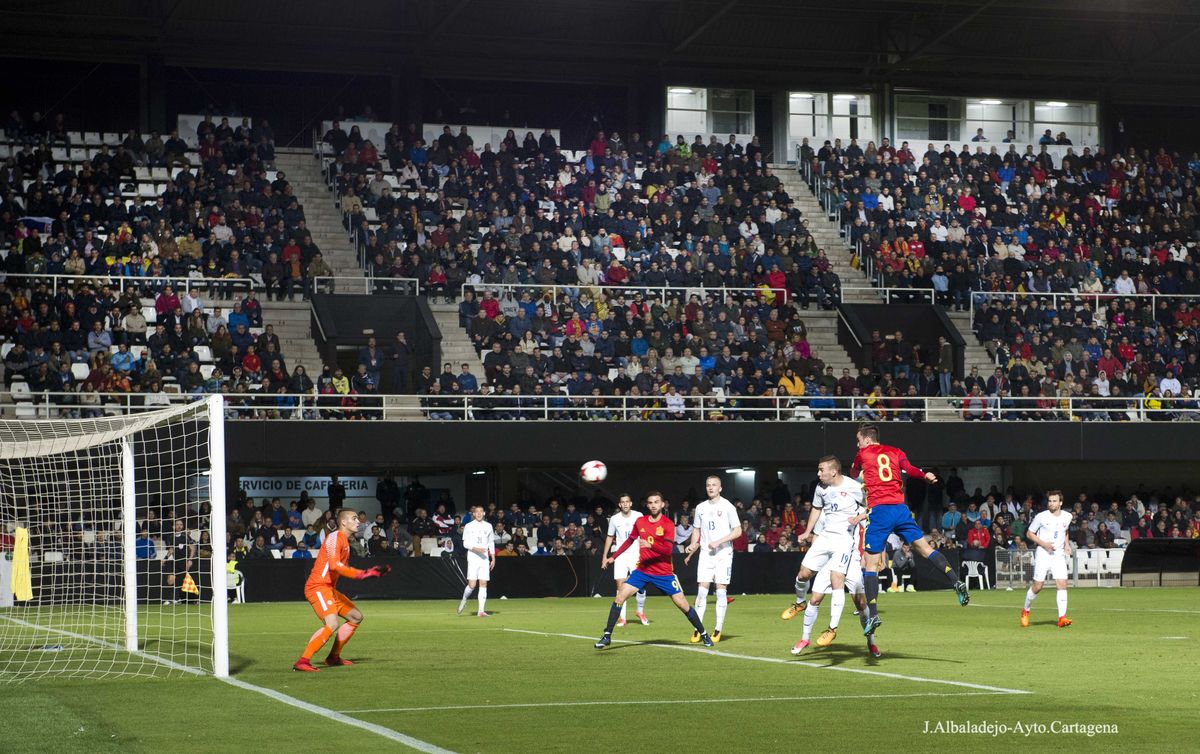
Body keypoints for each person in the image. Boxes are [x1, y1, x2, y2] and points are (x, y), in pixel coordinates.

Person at [850, 424, 969, 637]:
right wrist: (926, 476)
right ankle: (955, 581)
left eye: (858, 439)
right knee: (925, 548)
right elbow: (911, 470)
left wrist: (860, 474)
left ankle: (874, 614)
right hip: (900, 509)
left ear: (867, 440)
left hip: (879, 511)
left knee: (870, 564)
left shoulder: (863, 453)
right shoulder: (896, 451)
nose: (857, 443)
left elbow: (852, 473)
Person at [596, 492, 712, 648]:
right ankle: (607, 635)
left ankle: (704, 634)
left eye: (657, 502)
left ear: (662, 504)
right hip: (642, 571)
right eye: (650, 502)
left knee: (683, 605)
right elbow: (630, 540)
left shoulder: (668, 524)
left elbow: (668, 549)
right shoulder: (640, 521)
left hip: (663, 573)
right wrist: (613, 556)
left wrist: (651, 545)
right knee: (620, 597)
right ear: (647, 505)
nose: (653, 505)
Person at [780, 456, 863, 652]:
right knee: (803, 574)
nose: (818, 474)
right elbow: (816, 509)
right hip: (826, 538)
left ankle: (832, 629)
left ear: (833, 471)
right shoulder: (820, 488)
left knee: (838, 582)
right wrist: (808, 532)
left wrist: (860, 516)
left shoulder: (853, 486)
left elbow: (873, 504)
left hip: (844, 540)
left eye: (821, 470)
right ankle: (799, 603)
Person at [293, 509, 390, 672]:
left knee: (356, 617)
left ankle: (333, 657)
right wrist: (363, 574)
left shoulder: (345, 542)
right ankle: (303, 661)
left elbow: (339, 568)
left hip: (328, 588)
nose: (358, 521)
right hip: (318, 586)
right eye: (354, 518)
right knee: (332, 624)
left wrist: (365, 574)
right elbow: (334, 565)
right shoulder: (334, 537)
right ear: (343, 522)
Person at [791, 519, 880, 658]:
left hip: (851, 561)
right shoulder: (826, 511)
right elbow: (817, 535)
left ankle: (871, 642)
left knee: (861, 604)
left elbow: (871, 530)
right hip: (829, 561)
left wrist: (866, 555)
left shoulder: (855, 507)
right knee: (814, 600)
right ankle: (805, 639)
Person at [684, 475, 741, 643]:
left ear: (720, 488)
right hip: (706, 554)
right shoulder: (700, 507)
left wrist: (719, 541)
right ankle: (698, 628)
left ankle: (717, 629)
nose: (711, 488)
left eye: (714, 485)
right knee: (702, 590)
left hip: (723, 554)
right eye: (708, 485)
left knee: (721, 589)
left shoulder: (728, 506)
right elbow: (697, 529)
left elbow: (738, 531)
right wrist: (693, 544)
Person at [1021, 491, 1073, 628]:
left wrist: (1067, 544)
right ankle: (1025, 610)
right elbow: (1029, 533)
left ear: (1060, 502)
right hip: (1043, 553)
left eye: (1054, 501)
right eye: (1050, 501)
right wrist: (1044, 544)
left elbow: (1065, 531)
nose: (1051, 503)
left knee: (1062, 583)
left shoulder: (1068, 516)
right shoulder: (1041, 517)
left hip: (1058, 555)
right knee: (1038, 586)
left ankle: (1062, 617)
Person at [603, 494, 648, 627]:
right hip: (620, 555)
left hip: (637, 554)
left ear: (631, 503)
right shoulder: (614, 519)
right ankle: (622, 618)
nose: (625, 504)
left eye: (627, 501)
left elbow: (645, 533)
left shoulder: (638, 515)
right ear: (620, 505)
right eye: (623, 502)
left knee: (641, 586)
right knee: (620, 586)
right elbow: (610, 537)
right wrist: (604, 556)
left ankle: (640, 611)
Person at [458, 505, 496, 617]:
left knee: (483, 583)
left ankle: (481, 611)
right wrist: (476, 549)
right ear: (473, 514)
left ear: (484, 513)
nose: (479, 513)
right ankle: (464, 600)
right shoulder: (469, 526)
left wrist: (493, 557)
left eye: (481, 511)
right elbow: (465, 543)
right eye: (476, 512)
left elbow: (491, 542)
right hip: (473, 558)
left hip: (484, 558)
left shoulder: (489, 526)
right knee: (472, 585)